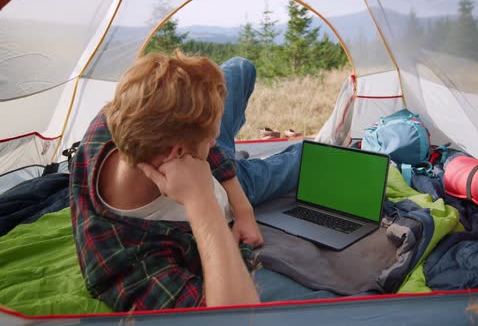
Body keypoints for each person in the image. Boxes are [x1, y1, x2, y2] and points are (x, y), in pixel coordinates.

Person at [69, 50, 305, 311]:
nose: (215, 143)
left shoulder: (122, 116)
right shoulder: (131, 262)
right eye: (210, 137)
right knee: (307, 159)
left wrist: (243, 211)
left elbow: (211, 150)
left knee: (241, 67)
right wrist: (201, 201)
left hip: (217, 176)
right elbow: (234, 316)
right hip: (232, 185)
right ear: (177, 153)